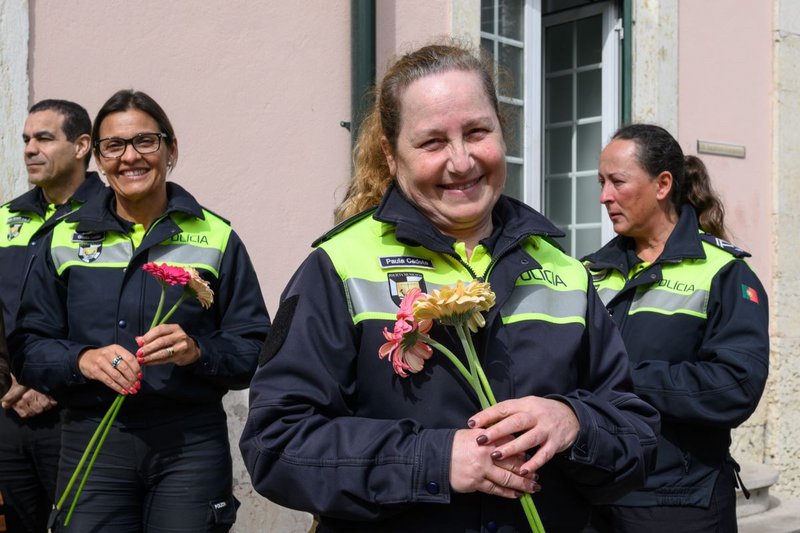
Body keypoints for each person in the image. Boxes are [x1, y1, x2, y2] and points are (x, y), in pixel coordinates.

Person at [240, 43, 659, 532]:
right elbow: (277, 444)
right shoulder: (339, 266)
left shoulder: (564, 270)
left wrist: (574, 422)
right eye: (432, 142)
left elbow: (637, 436)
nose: (461, 162)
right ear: (390, 156)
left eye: (477, 132)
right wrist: (433, 460)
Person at [10, 89, 269, 532]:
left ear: (171, 149)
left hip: (188, 444)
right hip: (92, 440)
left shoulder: (217, 236)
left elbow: (255, 348)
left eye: (145, 142)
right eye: (114, 145)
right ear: (98, 156)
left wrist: (197, 351)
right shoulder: (63, 237)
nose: (130, 157)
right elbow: (28, 346)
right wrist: (82, 360)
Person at [582, 124, 769, 532]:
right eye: (601, 182)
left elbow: (735, 386)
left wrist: (622, 377)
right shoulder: (587, 273)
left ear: (663, 184)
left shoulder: (724, 273)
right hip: (594, 497)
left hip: (680, 502)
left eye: (617, 181)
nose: (604, 196)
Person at [0, 99, 104, 533]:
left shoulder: (111, 216)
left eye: (44, 137)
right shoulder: (8, 218)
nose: (29, 148)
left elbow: (111, 315)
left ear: (81, 146)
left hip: (78, 412)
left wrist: (54, 380)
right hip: (9, 410)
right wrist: (7, 382)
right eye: (26, 139)